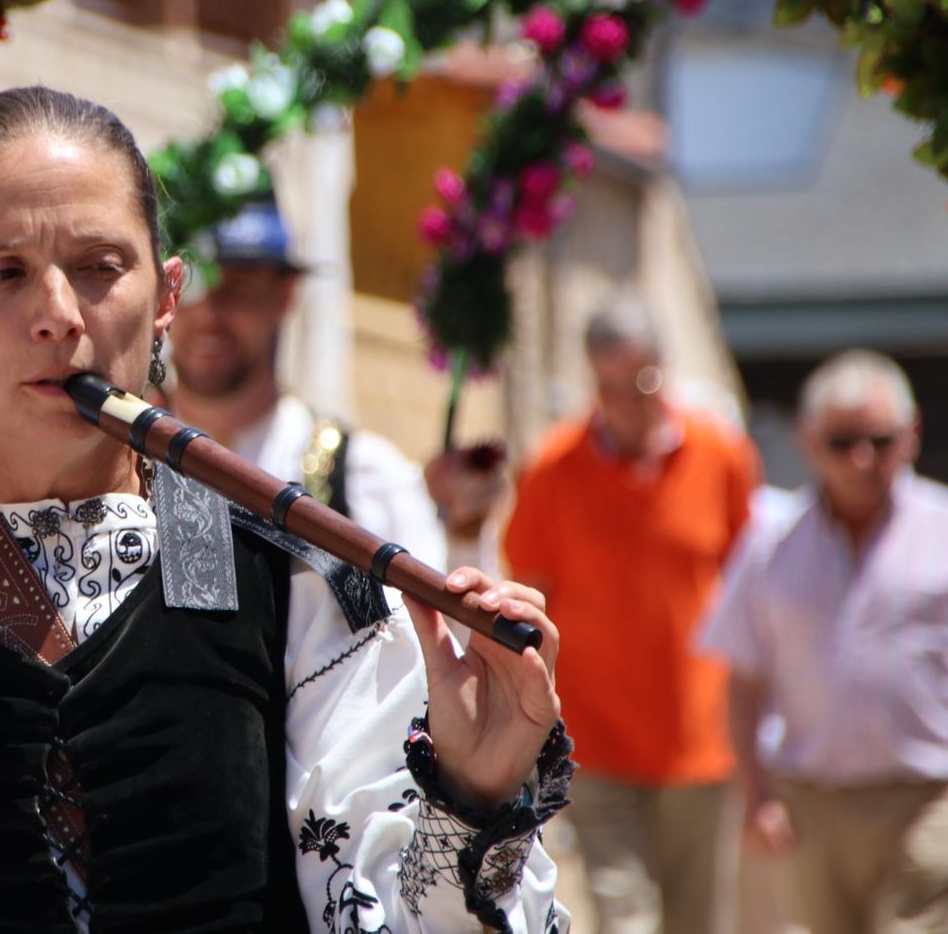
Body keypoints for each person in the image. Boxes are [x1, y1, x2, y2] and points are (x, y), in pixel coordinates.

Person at [0, 86, 574, 934]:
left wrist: (473, 793)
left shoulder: (301, 585)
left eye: (100, 267)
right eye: (3, 273)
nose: (59, 315)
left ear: (168, 298)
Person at [502, 291, 760, 934]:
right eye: (607, 386)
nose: (624, 402)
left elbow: (752, 591)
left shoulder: (720, 455)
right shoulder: (553, 470)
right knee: (626, 920)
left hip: (702, 741)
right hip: (599, 745)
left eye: (639, 382)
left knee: (699, 922)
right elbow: (528, 603)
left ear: (662, 369)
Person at [701, 349, 948, 934]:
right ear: (811, 442)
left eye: (880, 440)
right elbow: (743, 678)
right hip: (810, 805)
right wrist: (756, 794)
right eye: (843, 442)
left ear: (910, 437)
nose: (863, 459)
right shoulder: (773, 543)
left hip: (926, 801)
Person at [168, 198, 503, 573]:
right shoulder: (115, 462)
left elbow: (441, 629)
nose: (208, 313)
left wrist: (466, 538)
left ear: (285, 294)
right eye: (191, 285)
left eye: (238, 289)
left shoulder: (370, 482)